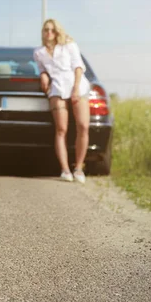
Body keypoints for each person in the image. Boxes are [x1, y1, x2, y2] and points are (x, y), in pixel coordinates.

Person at [34, 19, 90, 183]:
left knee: (83, 126)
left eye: (52, 30)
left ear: (58, 32)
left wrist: (76, 89)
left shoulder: (69, 45)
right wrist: (43, 75)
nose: (49, 33)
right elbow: (42, 68)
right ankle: (65, 170)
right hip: (57, 89)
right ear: (43, 32)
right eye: (46, 30)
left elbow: (78, 67)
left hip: (76, 86)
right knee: (61, 129)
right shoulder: (39, 52)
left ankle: (79, 168)